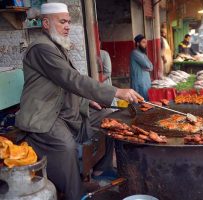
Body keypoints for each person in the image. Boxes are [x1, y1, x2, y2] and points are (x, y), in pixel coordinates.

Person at [15, 3, 143, 200]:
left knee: (111, 119)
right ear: (46, 23)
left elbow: (66, 86)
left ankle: (102, 171)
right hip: (45, 116)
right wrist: (116, 91)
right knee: (66, 147)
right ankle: (75, 193)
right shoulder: (41, 49)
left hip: (66, 111)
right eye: (62, 21)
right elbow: (71, 79)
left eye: (68, 22)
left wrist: (86, 100)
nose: (67, 26)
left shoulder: (57, 46)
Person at [130, 34, 153, 100]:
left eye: (146, 42)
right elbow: (148, 65)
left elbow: (151, 67)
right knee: (140, 103)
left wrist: (149, 67)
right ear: (137, 43)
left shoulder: (143, 53)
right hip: (139, 83)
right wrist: (148, 67)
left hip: (146, 82)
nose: (145, 44)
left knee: (147, 102)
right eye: (143, 42)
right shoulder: (135, 53)